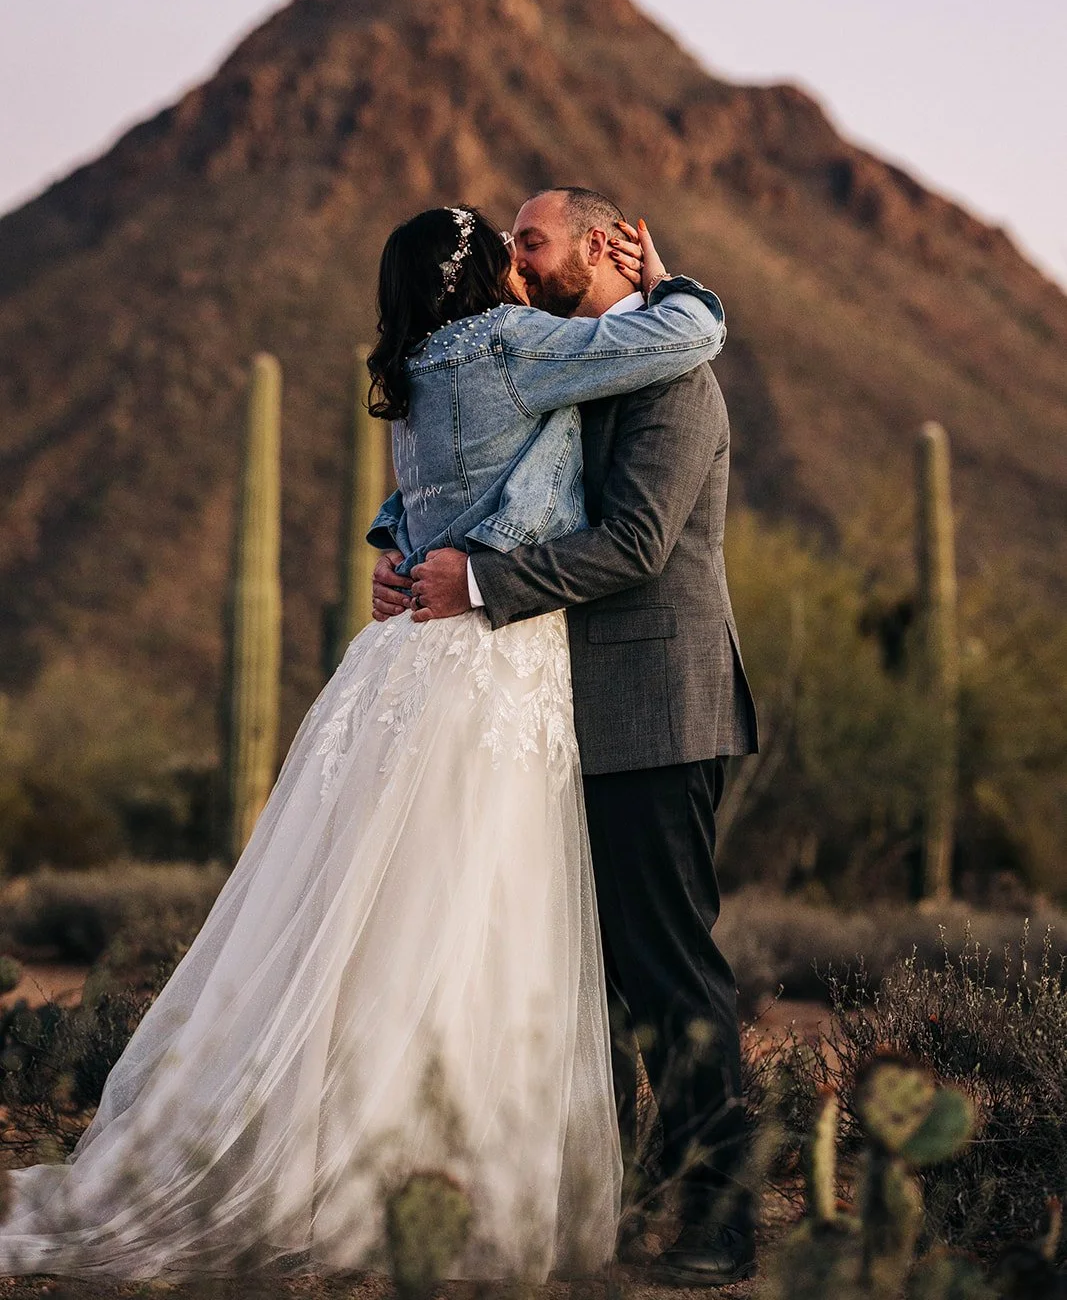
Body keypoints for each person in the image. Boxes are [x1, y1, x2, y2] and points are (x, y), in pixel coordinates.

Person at [0, 205, 727, 1283]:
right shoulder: (509, 345)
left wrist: (421, 556)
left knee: (510, 936)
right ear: (481, 276)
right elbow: (666, 349)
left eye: (536, 237)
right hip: (498, 670)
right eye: (508, 244)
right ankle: (485, 1176)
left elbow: (542, 519)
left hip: (554, 682)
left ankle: (669, 1210)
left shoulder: (455, 370)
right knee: (492, 926)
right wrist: (676, 284)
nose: (523, 258)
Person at [374, 189, 759, 1289]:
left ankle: (722, 1224)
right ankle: (623, 1197)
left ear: (597, 245)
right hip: (563, 716)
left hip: (655, 709)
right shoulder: (571, 366)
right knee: (594, 979)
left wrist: (480, 581)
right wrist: (404, 555)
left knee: (669, 973)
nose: (513, 260)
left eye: (529, 242)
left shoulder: (673, 382)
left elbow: (635, 544)